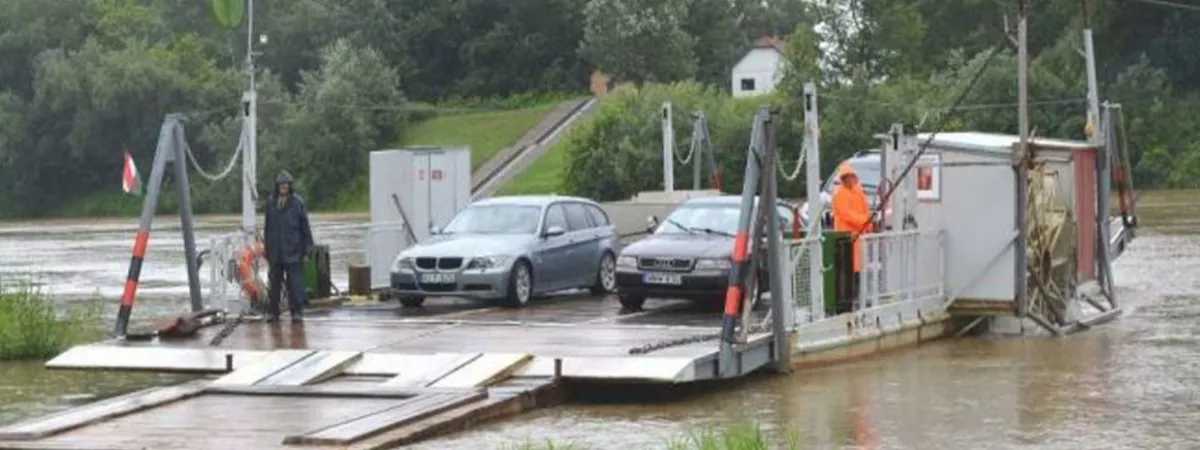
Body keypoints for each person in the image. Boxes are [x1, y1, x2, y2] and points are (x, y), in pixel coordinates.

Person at [263, 170, 314, 324]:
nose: (283, 186)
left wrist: (307, 250)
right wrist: (267, 249)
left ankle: (297, 312)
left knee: (295, 284)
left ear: (290, 185)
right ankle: (273, 312)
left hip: (294, 251)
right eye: (281, 184)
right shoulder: (270, 203)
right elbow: (267, 228)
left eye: (286, 184)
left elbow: (305, 228)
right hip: (275, 251)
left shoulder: (298, 203)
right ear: (277, 186)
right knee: (274, 284)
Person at [831, 162, 874, 314]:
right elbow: (846, 214)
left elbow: (865, 210)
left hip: (858, 239)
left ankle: (853, 303)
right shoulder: (839, 193)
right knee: (844, 274)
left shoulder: (858, 192)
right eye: (846, 177)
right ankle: (844, 307)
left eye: (851, 177)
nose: (849, 180)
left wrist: (868, 224)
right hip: (844, 239)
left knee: (856, 274)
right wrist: (865, 221)